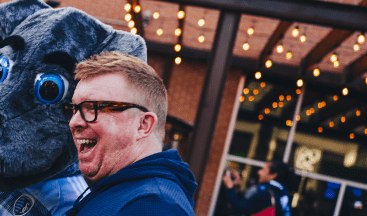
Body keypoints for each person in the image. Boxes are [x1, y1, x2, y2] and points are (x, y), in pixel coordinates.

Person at [64, 51, 197, 215]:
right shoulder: (125, 191)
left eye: (92, 108)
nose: (74, 122)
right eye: (74, 109)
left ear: (143, 125)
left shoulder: (155, 205)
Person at [222, 160, 293, 216]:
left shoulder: (267, 194)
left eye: (263, 169)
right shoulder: (277, 193)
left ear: (273, 175)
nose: (259, 172)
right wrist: (236, 187)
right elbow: (246, 203)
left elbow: (239, 208)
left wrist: (230, 187)